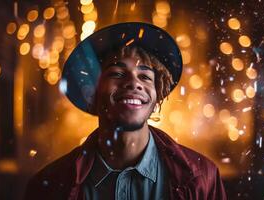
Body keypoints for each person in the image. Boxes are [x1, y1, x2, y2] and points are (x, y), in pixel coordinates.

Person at [24, 22, 227, 200]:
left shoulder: (202, 178)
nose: (133, 83)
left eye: (145, 77)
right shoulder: (50, 185)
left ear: (158, 94)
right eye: (117, 73)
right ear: (92, 92)